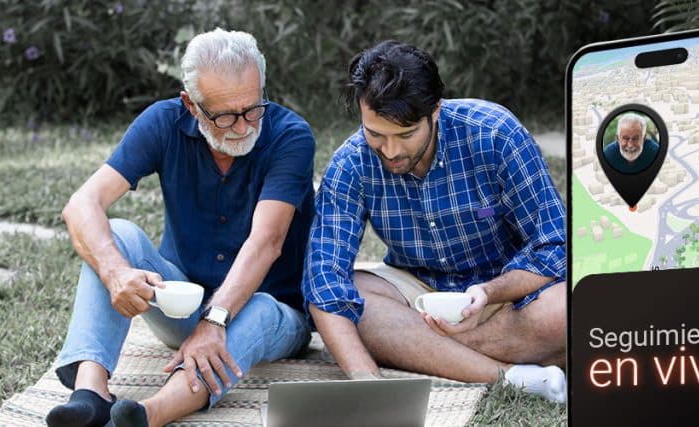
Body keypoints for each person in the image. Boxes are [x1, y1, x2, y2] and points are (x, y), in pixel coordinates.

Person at [46, 28, 315, 427]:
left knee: (258, 307)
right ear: (191, 104)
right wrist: (115, 272)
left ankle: (149, 414)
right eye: (224, 116)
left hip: (273, 312)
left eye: (252, 109)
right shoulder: (162, 121)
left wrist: (214, 322)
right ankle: (90, 392)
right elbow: (82, 204)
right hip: (185, 305)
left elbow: (267, 242)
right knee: (115, 233)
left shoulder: (291, 136)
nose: (242, 127)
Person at [303, 40, 568, 403]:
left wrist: (490, 292)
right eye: (375, 134)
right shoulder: (350, 163)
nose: (391, 151)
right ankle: (510, 375)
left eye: (406, 134)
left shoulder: (495, 134)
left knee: (570, 310)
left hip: (508, 291)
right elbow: (325, 282)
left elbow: (555, 245)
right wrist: (368, 381)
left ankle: (421, 351)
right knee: (351, 301)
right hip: (418, 292)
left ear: (436, 110)